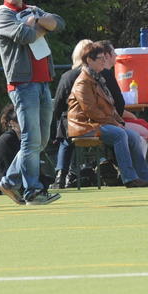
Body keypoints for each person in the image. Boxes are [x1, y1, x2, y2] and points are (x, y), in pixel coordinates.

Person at [0, 0, 64, 205]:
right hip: (22, 84)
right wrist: (41, 26)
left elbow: (58, 23)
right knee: (31, 139)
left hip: (42, 82)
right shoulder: (1, 15)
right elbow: (25, 36)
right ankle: (33, 190)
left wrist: (37, 21)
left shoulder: (32, 10)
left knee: (40, 141)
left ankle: (9, 181)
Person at [67, 43, 148, 188]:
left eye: (105, 58)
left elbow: (109, 107)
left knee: (133, 136)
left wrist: (118, 121)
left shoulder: (97, 79)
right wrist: (115, 123)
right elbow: (91, 111)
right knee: (119, 134)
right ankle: (129, 178)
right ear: (89, 60)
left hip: (99, 123)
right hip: (85, 126)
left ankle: (143, 177)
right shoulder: (83, 82)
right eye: (100, 59)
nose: (104, 61)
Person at [51, 39, 93, 188]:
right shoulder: (100, 75)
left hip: (72, 125)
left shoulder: (68, 76)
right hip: (96, 123)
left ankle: (60, 176)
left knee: (65, 134)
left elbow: (58, 104)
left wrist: (58, 120)